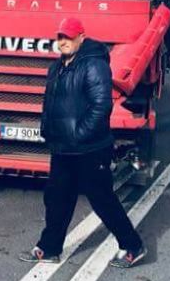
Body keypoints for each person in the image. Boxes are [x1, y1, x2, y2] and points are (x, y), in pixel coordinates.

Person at [20, 16, 146, 268]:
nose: (63, 41)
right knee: (57, 198)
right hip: (63, 147)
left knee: (102, 199)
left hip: (90, 148)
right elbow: (50, 103)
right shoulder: (57, 67)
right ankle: (49, 248)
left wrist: (79, 135)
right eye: (60, 37)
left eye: (68, 36)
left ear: (81, 37)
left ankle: (133, 246)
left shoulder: (94, 64)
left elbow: (101, 106)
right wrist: (48, 129)